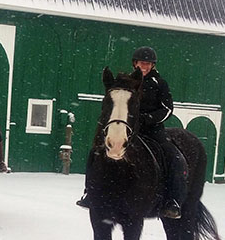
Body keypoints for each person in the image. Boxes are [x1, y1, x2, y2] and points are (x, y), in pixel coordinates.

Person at [77, 46, 186, 219]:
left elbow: (167, 109)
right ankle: (90, 193)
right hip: (126, 129)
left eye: (148, 64)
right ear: (135, 63)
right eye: (142, 63)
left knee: (175, 157)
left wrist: (146, 119)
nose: (145, 66)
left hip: (151, 130)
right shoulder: (127, 83)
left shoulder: (160, 83)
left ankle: (172, 200)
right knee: (95, 152)